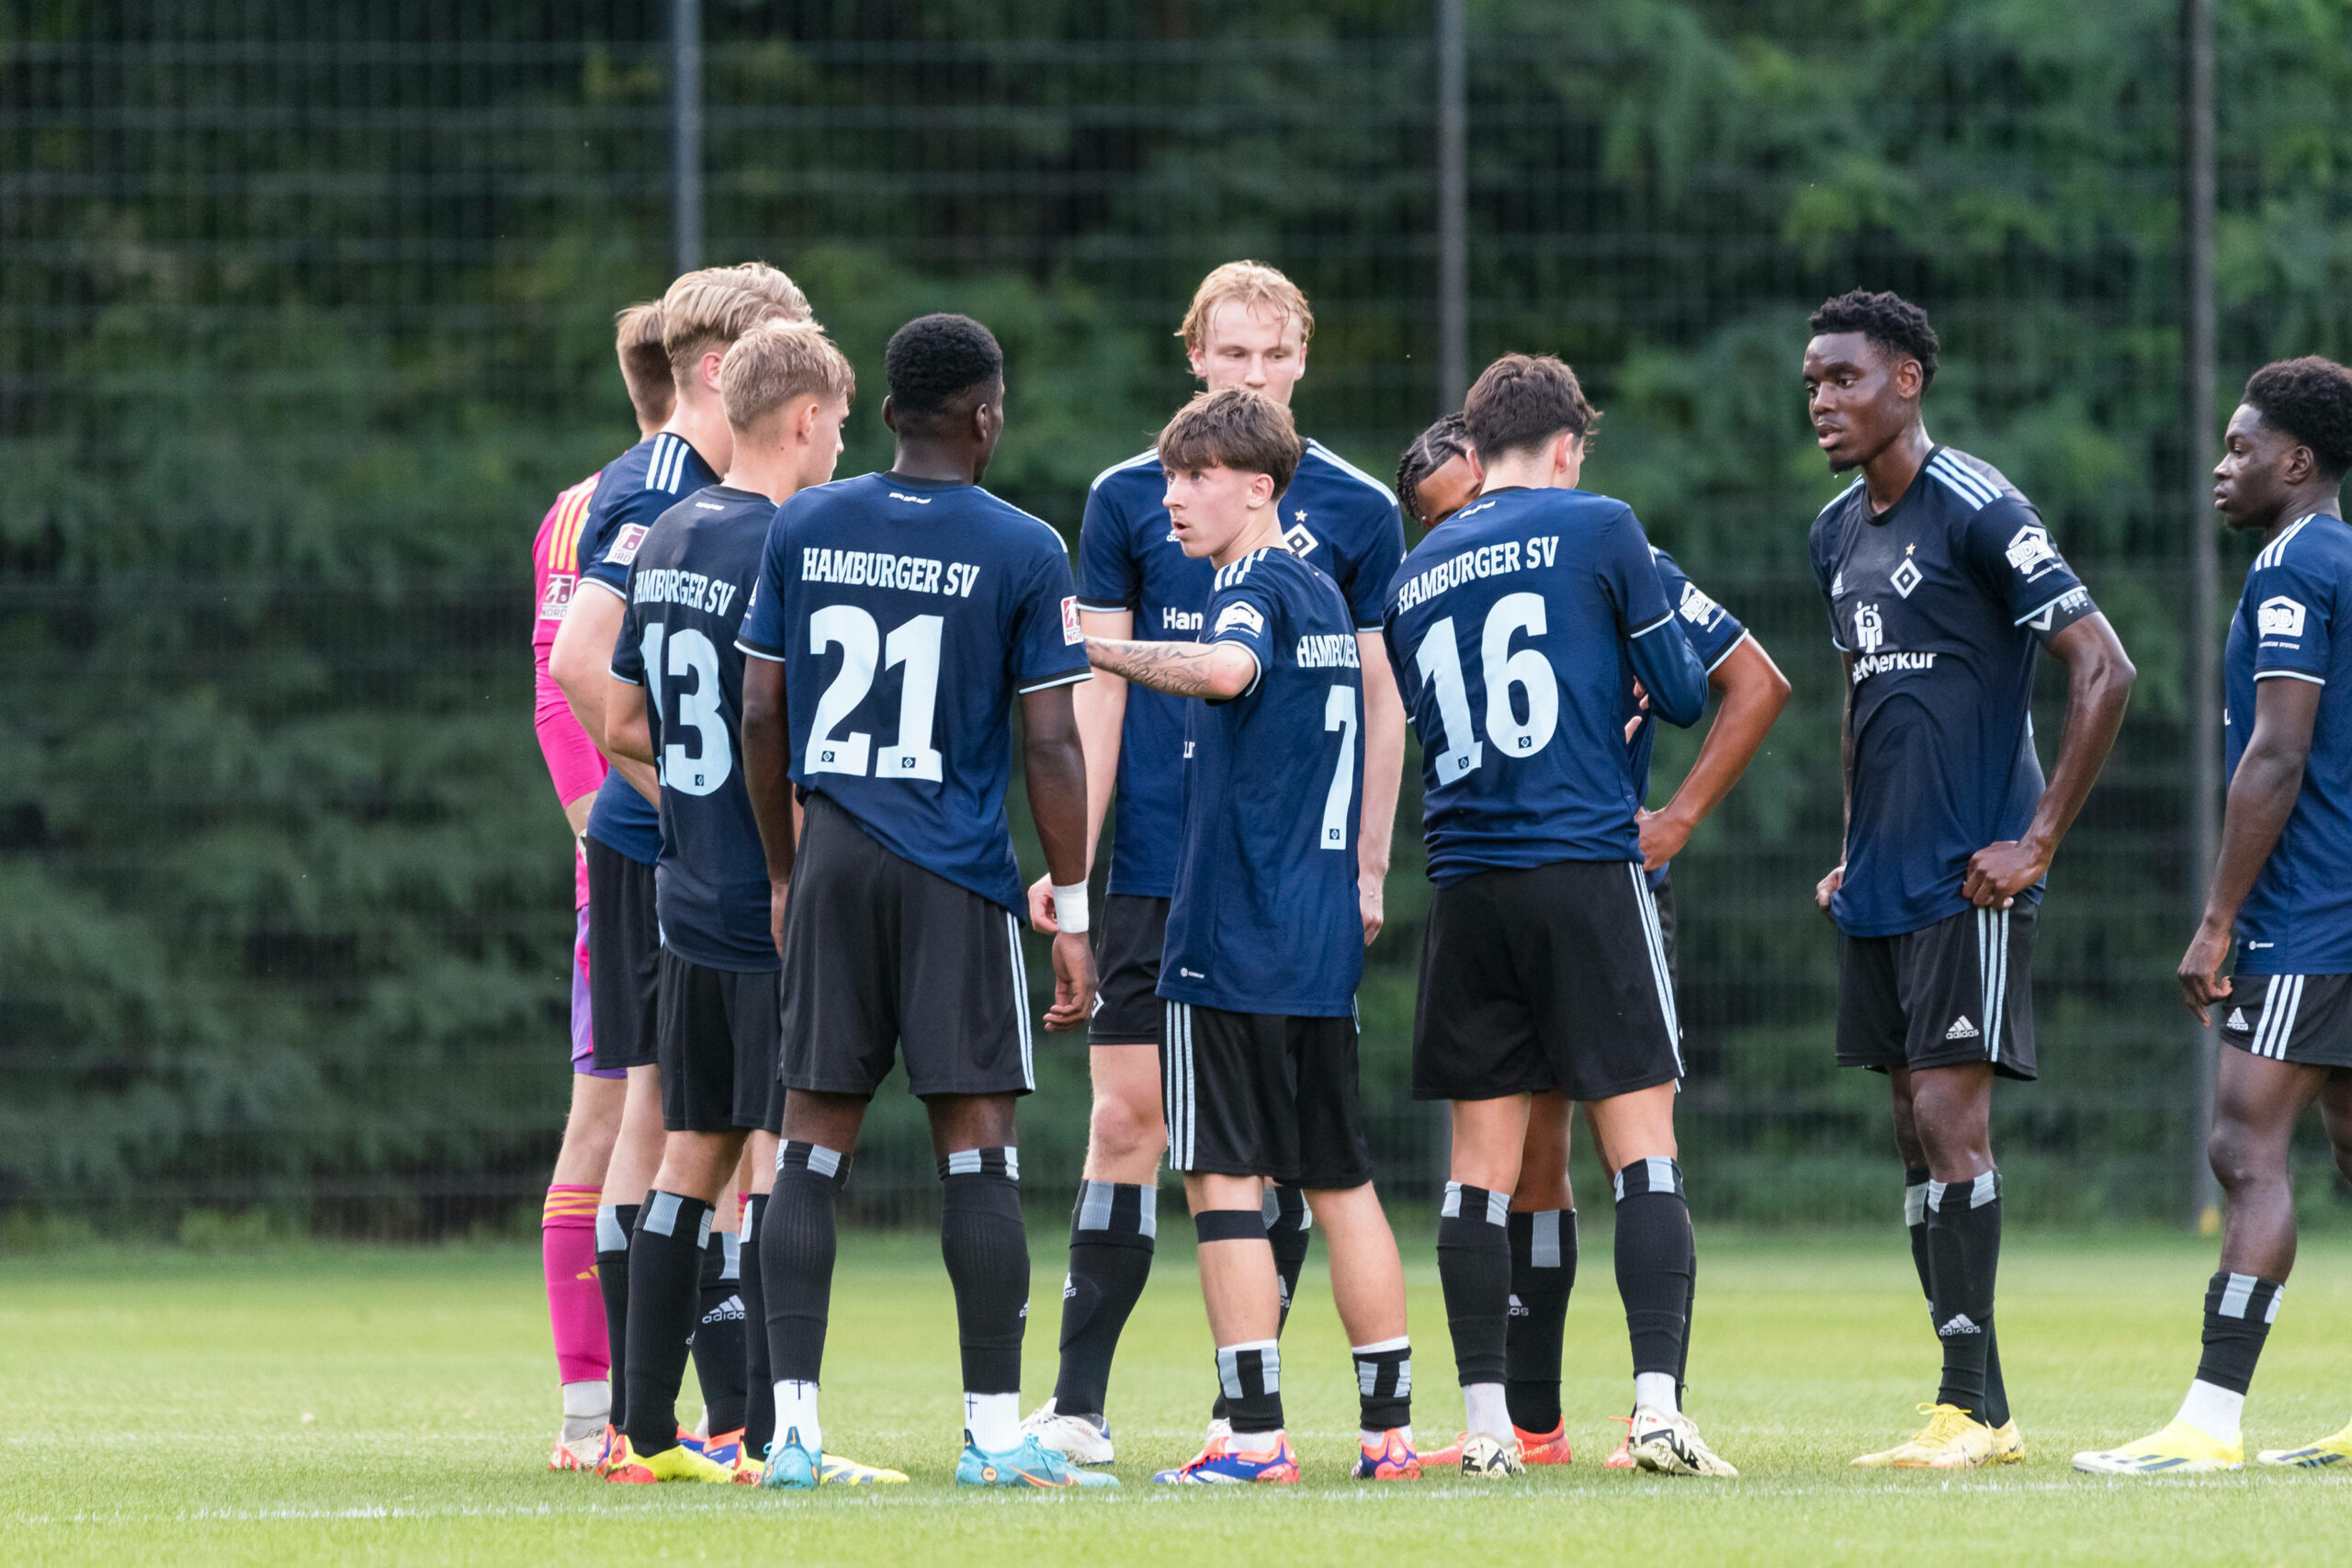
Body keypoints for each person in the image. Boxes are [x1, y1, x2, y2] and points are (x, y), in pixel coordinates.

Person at [1024, 260, 1409, 1466]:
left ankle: (1247, 1419)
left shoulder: (1328, 518)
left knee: (1240, 1158)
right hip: (1163, 862)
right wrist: (1076, 864)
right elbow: (1095, 700)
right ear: (1198, 356)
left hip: (1250, 886)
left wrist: (1368, 860)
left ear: (1300, 363)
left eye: (1271, 354)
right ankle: (1089, 1406)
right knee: (1139, 1121)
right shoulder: (1133, 497)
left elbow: (1356, 694)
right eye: (1231, 353)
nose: (1252, 371)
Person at [736, 312, 1113, 1491]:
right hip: (955, 878)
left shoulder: (805, 522)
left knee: (806, 1148)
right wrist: (1075, 908)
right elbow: (1050, 745)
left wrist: (787, 868)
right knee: (978, 1155)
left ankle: (789, 1434)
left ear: (890, 412)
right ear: (985, 417)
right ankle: (995, 1436)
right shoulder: (1022, 547)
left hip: (836, 856)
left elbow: (760, 713)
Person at [1396, 411, 1791, 1471]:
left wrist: (1679, 818)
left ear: (1479, 461)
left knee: (1481, 1174)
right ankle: (1631, 1415)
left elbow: (1755, 680)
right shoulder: (1609, 534)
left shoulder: (1412, 575)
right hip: (1582, 868)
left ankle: (1496, 1432)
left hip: (1470, 879)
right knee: (1625, 1158)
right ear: (1568, 445)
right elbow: (1675, 695)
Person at [1804, 289, 2135, 1468]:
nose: (1822, 402)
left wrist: (2035, 842)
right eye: (1811, 384)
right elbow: (1860, 707)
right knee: (1909, 1127)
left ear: (1907, 381)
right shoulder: (1835, 533)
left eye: (1843, 378)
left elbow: (2103, 670)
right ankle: (1971, 1407)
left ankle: (1969, 1411)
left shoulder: (1978, 508)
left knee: (1951, 1118)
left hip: (1971, 873)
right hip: (1884, 879)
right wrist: (1851, 845)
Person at [595, 321, 898, 1485]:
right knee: (780, 1162)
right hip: (775, 904)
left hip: (685, 895)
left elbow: (624, 720)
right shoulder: (790, 544)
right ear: (809, 418)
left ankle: (648, 1430)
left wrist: (697, 798)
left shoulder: (669, 528)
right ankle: (778, 1441)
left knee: (690, 1155)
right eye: (838, 418)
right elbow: (794, 728)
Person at [548, 264, 811, 1467]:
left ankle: (687, 1420)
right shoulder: (658, 486)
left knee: (695, 1125)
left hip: (679, 838)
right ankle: (657, 1419)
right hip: (668, 844)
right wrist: (712, 799)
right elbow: (588, 671)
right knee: (680, 1124)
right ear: (724, 367)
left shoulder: (705, 489)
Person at [2075, 356, 2352, 1475]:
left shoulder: (2292, 567)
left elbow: (2276, 753)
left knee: (2244, 1146)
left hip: (2309, 912)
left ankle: (2208, 1424)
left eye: (2239, 448)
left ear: (2296, 461)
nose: (2219, 467)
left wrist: (2217, 918)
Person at [530, 299, 671, 1471]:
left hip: (732, 858)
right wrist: (606, 837)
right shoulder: (595, 506)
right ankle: (595, 1414)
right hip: (637, 852)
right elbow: (559, 683)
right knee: (611, 1111)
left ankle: (725, 1408)